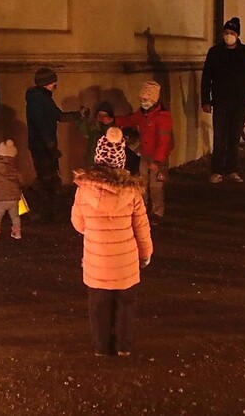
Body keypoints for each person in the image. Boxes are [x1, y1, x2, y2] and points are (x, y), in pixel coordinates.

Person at [71, 127, 153, 356]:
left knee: (98, 307)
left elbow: (78, 224)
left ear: (97, 158)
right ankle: (123, 347)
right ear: (121, 161)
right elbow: (141, 227)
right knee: (125, 305)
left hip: (97, 264)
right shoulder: (132, 192)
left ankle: (101, 347)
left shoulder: (83, 190)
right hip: (126, 263)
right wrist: (145, 253)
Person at [201, 17, 245, 184]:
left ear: (238, 35)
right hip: (220, 102)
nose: (228, 35)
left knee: (234, 139)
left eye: (232, 33)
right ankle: (217, 170)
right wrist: (205, 100)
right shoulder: (215, 52)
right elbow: (207, 77)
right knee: (220, 138)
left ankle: (232, 169)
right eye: (226, 32)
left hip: (240, 102)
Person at [25, 67, 86, 223]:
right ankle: (32, 208)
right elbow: (41, 125)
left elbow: (58, 116)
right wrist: (50, 145)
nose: (55, 85)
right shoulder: (38, 100)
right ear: (46, 84)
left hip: (45, 146)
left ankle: (46, 212)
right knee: (45, 180)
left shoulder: (44, 98)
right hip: (42, 148)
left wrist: (78, 115)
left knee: (49, 180)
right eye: (54, 82)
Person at [116, 81, 174, 226]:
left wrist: (158, 161)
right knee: (143, 183)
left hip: (157, 158)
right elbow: (130, 120)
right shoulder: (144, 114)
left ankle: (157, 212)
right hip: (145, 155)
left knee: (156, 186)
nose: (143, 102)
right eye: (142, 99)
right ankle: (143, 209)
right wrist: (114, 120)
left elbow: (164, 141)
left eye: (146, 100)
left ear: (154, 100)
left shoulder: (162, 117)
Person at [78, 101, 116, 166]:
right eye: (99, 115)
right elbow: (83, 131)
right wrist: (83, 117)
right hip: (91, 162)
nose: (102, 118)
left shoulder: (112, 130)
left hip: (106, 164)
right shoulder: (94, 127)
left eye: (105, 115)